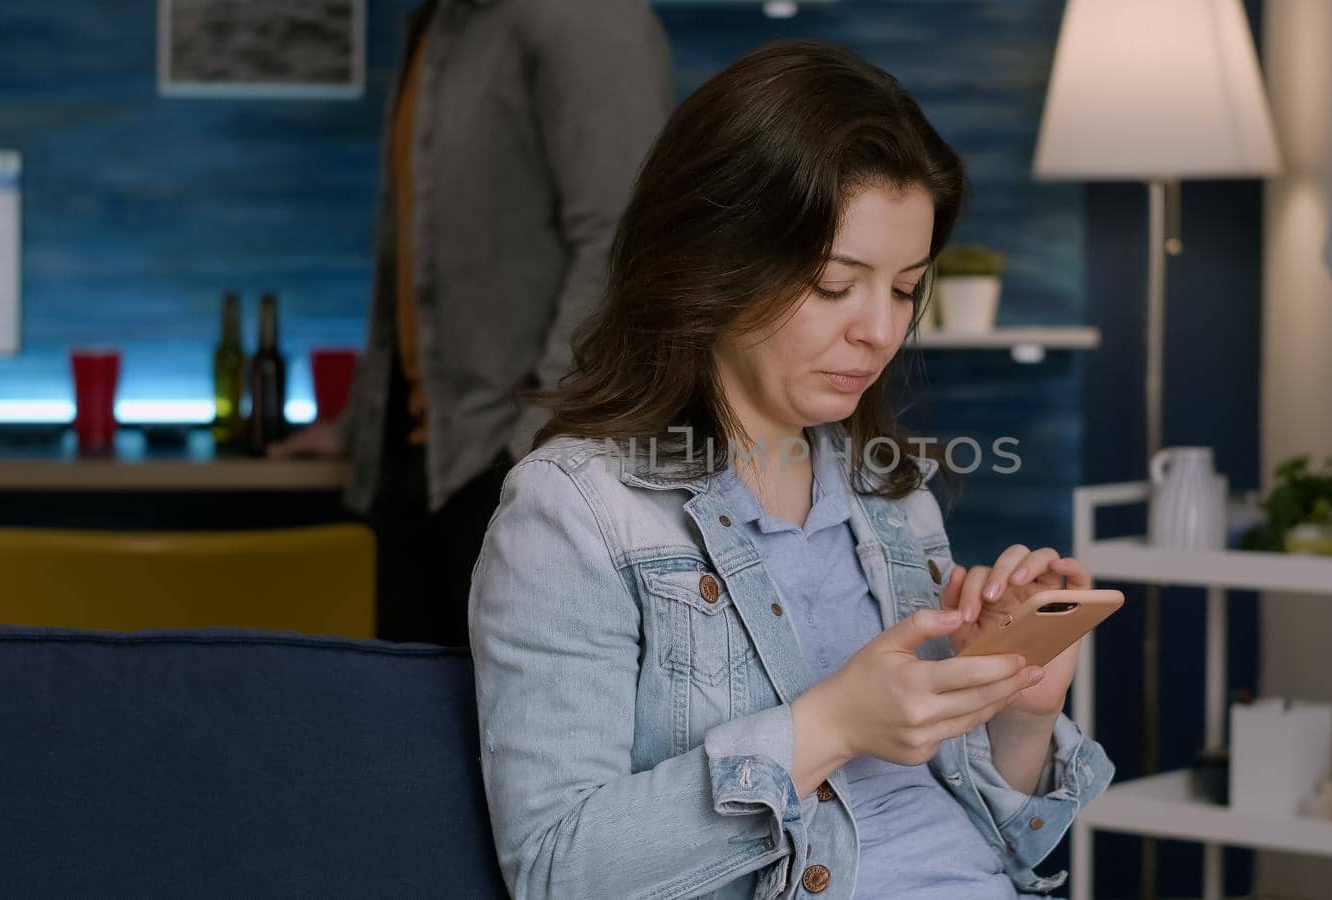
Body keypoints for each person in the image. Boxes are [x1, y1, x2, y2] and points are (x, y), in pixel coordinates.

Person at [469, 39, 1113, 899]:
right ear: (715, 260)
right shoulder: (575, 511)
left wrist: (1021, 714)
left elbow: (982, 837)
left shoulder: (894, 500)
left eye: (902, 288)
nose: (879, 333)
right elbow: (558, 869)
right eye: (835, 284)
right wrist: (830, 726)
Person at [270, 0, 673, 646]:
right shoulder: (438, 19)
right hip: (426, 468)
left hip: (517, 474)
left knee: (510, 744)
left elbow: (627, 245)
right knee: (410, 737)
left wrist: (530, 448)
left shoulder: (586, 16)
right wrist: (364, 423)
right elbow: (419, 260)